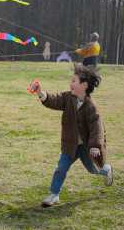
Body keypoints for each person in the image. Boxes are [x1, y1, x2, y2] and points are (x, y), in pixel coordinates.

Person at [28, 63, 113, 207]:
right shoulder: (68, 98)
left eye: (74, 81)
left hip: (86, 148)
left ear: (84, 85)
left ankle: (106, 170)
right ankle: (54, 194)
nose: (70, 83)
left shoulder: (91, 107)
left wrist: (95, 146)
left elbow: (96, 128)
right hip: (70, 145)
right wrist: (41, 93)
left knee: (93, 169)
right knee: (61, 168)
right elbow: (54, 100)